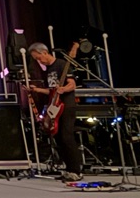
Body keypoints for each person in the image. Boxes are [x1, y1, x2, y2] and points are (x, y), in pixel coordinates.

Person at [27, 42, 82, 182]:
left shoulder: (62, 64)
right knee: (58, 137)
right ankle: (68, 169)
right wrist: (36, 90)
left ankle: (76, 170)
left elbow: (72, 84)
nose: (39, 61)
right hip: (55, 106)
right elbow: (51, 90)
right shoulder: (49, 69)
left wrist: (63, 89)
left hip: (66, 105)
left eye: (38, 58)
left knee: (66, 136)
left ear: (44, 52)